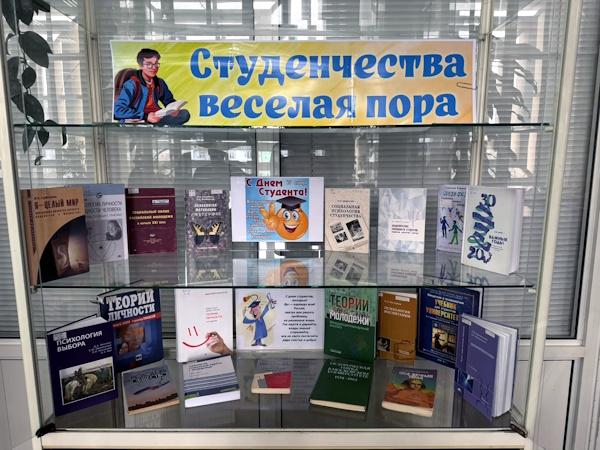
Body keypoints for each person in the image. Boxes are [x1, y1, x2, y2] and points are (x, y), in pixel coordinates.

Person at [114, 48, 190, 125]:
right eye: (149, 64)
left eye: (156, 64)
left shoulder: (159, 82)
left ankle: (154, 125)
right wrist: (146, 116)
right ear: (141, 66)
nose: (154, 68)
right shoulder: (132, 84)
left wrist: (173, 110)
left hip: (156, 116)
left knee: (184, 114)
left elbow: (169, 101)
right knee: (135, 122)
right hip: (140, 117)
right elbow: (118, 110)